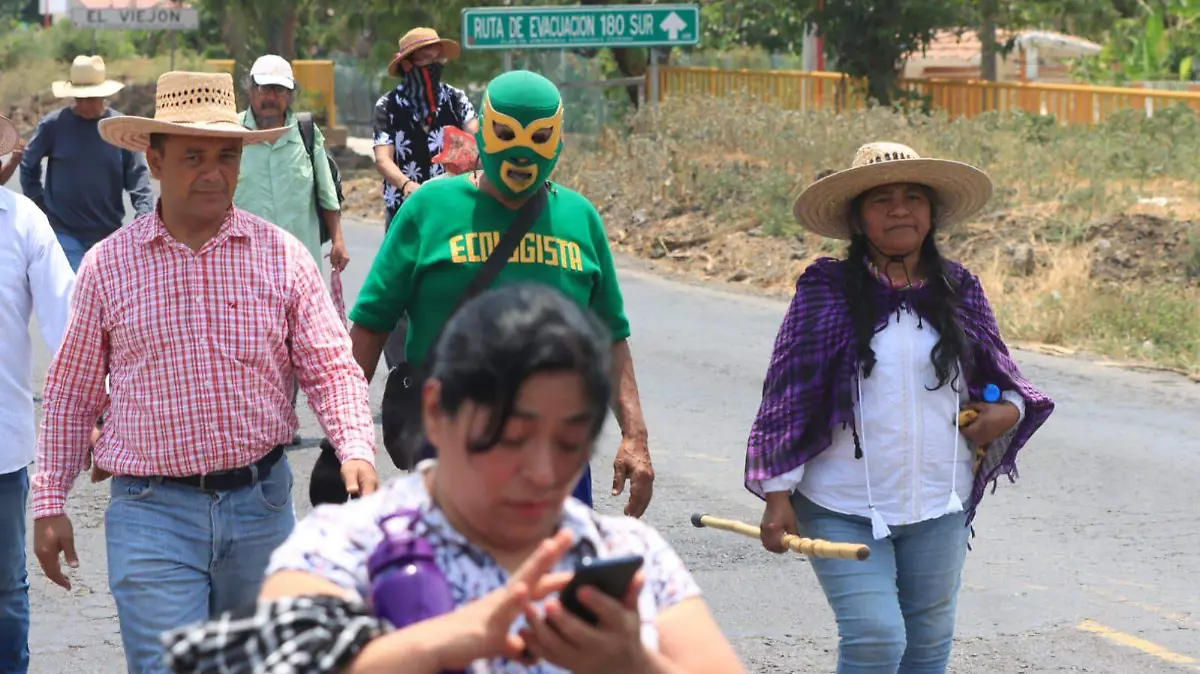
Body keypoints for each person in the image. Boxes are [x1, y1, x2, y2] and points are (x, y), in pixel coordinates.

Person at [161, 283, 747, 674]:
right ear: (438, 411)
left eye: (571, 442)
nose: (544, 472)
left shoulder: (626, 552)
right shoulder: (347, 545)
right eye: (511, 437)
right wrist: (445, 641)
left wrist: (636, 664)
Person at [30, 71, 380, 674]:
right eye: (193, 156)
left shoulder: (282, 256)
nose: (214, 172)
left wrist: (355, 445)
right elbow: (71, 392)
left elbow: (330, 364)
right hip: (150, 513)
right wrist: (49, 500)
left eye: (226, 155)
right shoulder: (109, 268)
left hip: (263, 510)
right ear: (155, 161)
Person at [745, 142, 1055, 673]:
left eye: (914, 196)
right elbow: (789, 393)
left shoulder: (960, 288)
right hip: (840, 505)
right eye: (882, 199)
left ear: (931, 214)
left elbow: (1001, 380)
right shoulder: (826, 291)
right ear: (858, 219)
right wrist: (777, 493)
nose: (900, 209)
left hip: (939, 502)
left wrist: (1007, 411)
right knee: (876, 639)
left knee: (928, 644)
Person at [348, 70, 655, 517]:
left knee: (552, 579)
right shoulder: (428, 209)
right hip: (449, 447)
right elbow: (371, 328)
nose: (521, 152)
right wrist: (351, 443)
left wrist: (635, 436)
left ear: (559, 139)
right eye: (507, 133)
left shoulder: (580, 218)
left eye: (539, 137)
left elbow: (610, 337)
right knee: (458, 580)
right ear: (485, 133)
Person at [234, 53, 351, 445]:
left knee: (296, 343)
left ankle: (281, 414)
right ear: (250, 89)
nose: (270, 98)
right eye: (265, 89)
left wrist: (337, 238)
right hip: (242, 263)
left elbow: (326, 191)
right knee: (254, 342)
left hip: (296, 262)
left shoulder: (305, 133)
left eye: (279, 91)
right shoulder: (231, 133)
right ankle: (262, 418)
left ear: (289, 96)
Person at [0, 112, 75, 674]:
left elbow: (65, 322)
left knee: (4, 592)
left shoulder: (23, 223)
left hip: (1, 449)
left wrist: (97, 407)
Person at [372, 26, 479, 369]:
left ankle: (454, 364)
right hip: (405, 210)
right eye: (424, 54)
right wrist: (407, 186)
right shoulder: (387, 105)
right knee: (399, 289)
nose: (432, 60)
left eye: (436, 53)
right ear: (407, 63)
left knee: (455, 283)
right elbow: (383, 157)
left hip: (455, 209)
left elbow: (477, 144)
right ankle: (402, 371)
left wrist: (464, 163)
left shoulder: (457, 99)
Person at [19, 54, 154, 271]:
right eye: (78, 98)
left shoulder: (118, 130)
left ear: (102, 96)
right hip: (64, 233)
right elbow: (28, 165)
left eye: (89, 98)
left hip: (108, 235)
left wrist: (144, 219)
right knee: (75, 292)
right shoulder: (54, 125)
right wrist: (39, 205)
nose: (83, 104)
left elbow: (139, 180)